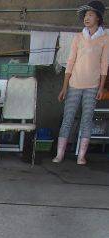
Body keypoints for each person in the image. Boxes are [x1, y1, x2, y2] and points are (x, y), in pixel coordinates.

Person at [53, 0, 108, 165]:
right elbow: (70, 63)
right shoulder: (78, 37)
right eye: (85, 15)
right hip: (74, 84)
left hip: (92, 85)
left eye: (90, 14)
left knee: (87, 119)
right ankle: (60, 154)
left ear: (98, 18)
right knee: (68, 117)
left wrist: (101, 87)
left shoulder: (105, 38)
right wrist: (64, 87)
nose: (87, 18)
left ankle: (81, 156)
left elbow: (105, 65)